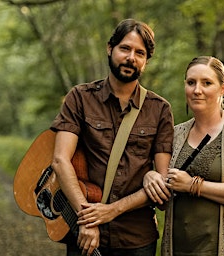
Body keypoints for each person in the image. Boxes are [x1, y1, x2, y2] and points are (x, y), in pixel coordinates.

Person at [50, 18, 174, 256]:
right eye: (125, 48)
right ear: (110, 48)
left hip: (136, 238)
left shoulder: (159, 109)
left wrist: (112, 210)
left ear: (146, 61)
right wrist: (87, 219)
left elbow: (162, 180)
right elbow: (60, 160)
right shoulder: (80, 98)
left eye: (140, 53)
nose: (131, 58)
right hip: (83, 232)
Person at [144, 56, 224, 255]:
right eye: (191, 83)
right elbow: (163, 199)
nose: (197, 90)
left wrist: (193, 185)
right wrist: (150, 177)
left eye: (207, 83)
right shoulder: (176, 134)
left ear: (223, 88)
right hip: (178, 248)